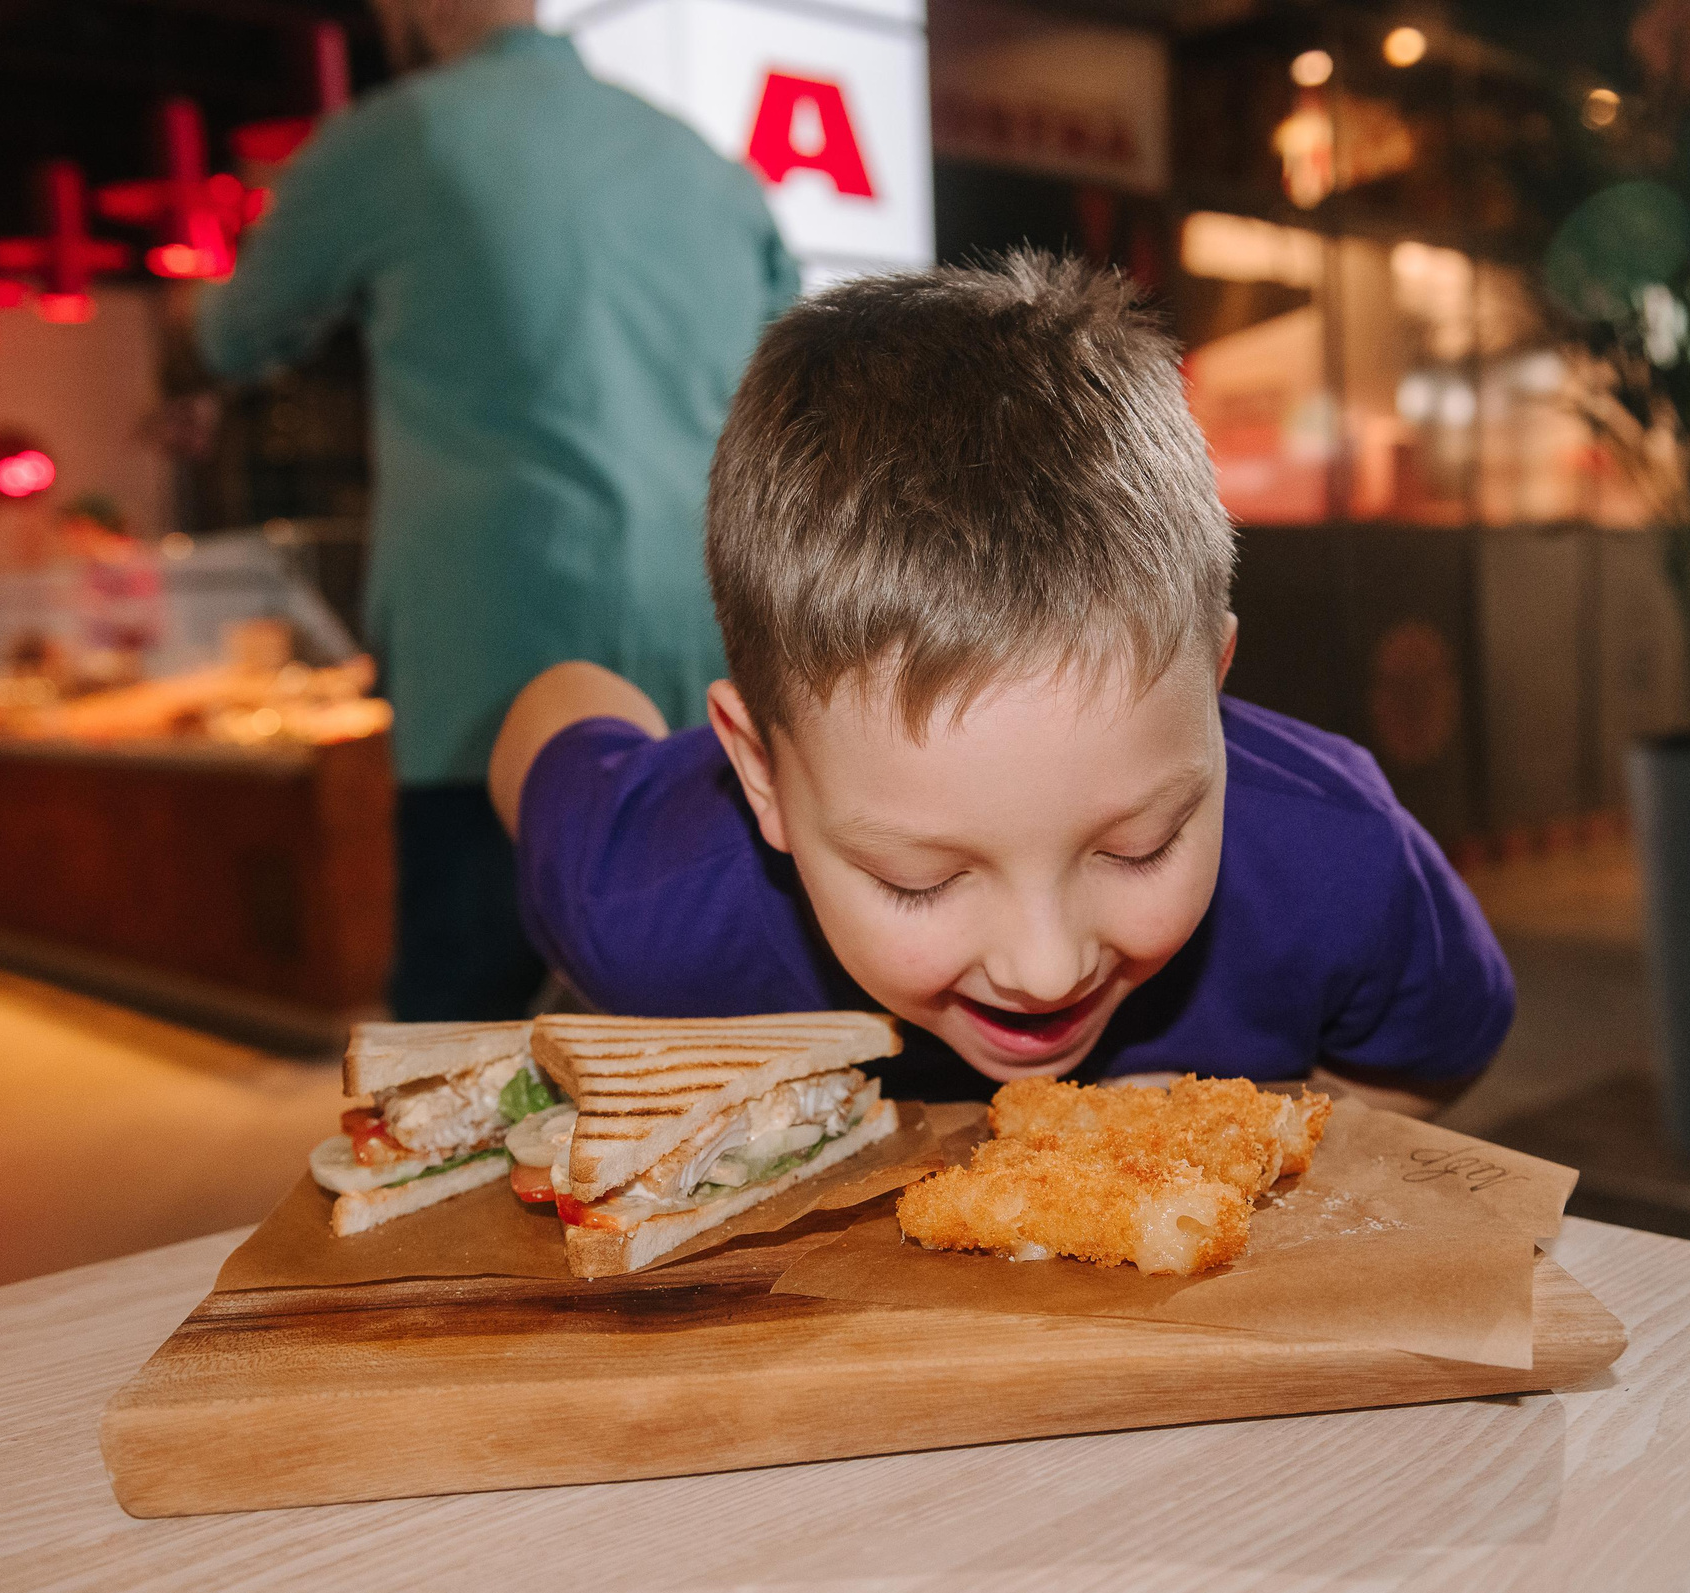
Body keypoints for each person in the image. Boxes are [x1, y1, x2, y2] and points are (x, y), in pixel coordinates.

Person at [485, 257, 1514, 1107]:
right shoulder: (646, 893)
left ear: (1216, 687)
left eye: (1136, 847)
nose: (1045, 968)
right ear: (757, 772)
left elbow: (1428, 1054)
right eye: (919, 881)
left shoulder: (1343, 856)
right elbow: (554, 709)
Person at [193, 0, 798, 1021]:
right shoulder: (705, 164)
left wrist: (181, 369)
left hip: (496, 660)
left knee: (462, 1034)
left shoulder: (393, 138)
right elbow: (788, 383)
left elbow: (232, 333)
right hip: (709, 641)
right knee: (721, 1015)